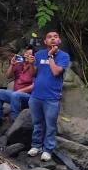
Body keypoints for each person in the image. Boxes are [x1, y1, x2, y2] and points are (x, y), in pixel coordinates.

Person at [28, 31, 70, 162]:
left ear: (59, 41)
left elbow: (56, 72)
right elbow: (33, 74)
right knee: (37, 123)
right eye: (49, 37)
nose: (52, 39)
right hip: (36, 95)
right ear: (45, 41)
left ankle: (48, 150)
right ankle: (36, 146)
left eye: (55, 37)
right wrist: (30, 63)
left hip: (52, 97)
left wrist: (51, 56)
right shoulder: (39, 54)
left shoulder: (64, 56)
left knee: (50, 125)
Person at [0, 45, 36, 126]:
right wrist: (12, 64)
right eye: (26, 53)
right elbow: (8, 76)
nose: (26, 55)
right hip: (15, 95)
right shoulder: (19, 64)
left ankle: (14, 122)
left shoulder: (35, 67)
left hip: (28, 98)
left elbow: (35, 85)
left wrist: (19, 92)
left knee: (15, 94)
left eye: (29, 54)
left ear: (33, 57)